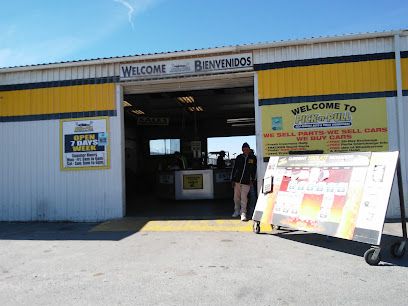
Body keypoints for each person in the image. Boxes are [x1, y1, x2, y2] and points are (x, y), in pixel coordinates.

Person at [230, 142, 256, 221]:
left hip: (247, 181)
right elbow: (234, 168)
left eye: (247, 149)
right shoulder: (239, 157)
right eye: (244, 149)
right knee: (236, 198)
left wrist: (253, 179)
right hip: (237, 181)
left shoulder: (253, 158)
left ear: (249, 149)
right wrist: (233, 180)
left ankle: (243, 213)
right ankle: (236, 210)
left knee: (244, 198)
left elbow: (254, 170)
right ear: (242, 150)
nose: (246, 150)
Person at [247, 149, 257, 217]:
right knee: (252, 196)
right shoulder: (253, 158)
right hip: (252, 179)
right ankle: (252, 212)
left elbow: (250, 168)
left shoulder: (251, 158)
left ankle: (251, 212)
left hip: (252, 179)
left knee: (252, 196)